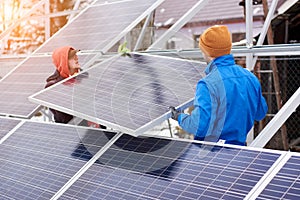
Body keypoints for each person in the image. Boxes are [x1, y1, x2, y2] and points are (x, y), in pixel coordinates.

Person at [170, 25, 268, 146]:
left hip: (211, 153)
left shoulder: (207, 84)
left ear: (206, 51)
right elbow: (260, 113)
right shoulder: (249, 77)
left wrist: (180, 117)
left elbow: (199, 126)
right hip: (238, 150)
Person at [45, 45, 81, 123]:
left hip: (94, 127)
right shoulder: (52, 85)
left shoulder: (83, 78)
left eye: (76, 55)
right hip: (72, 129)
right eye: (72, 57)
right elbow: (63, 117)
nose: (76, 58)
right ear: (63, 61)